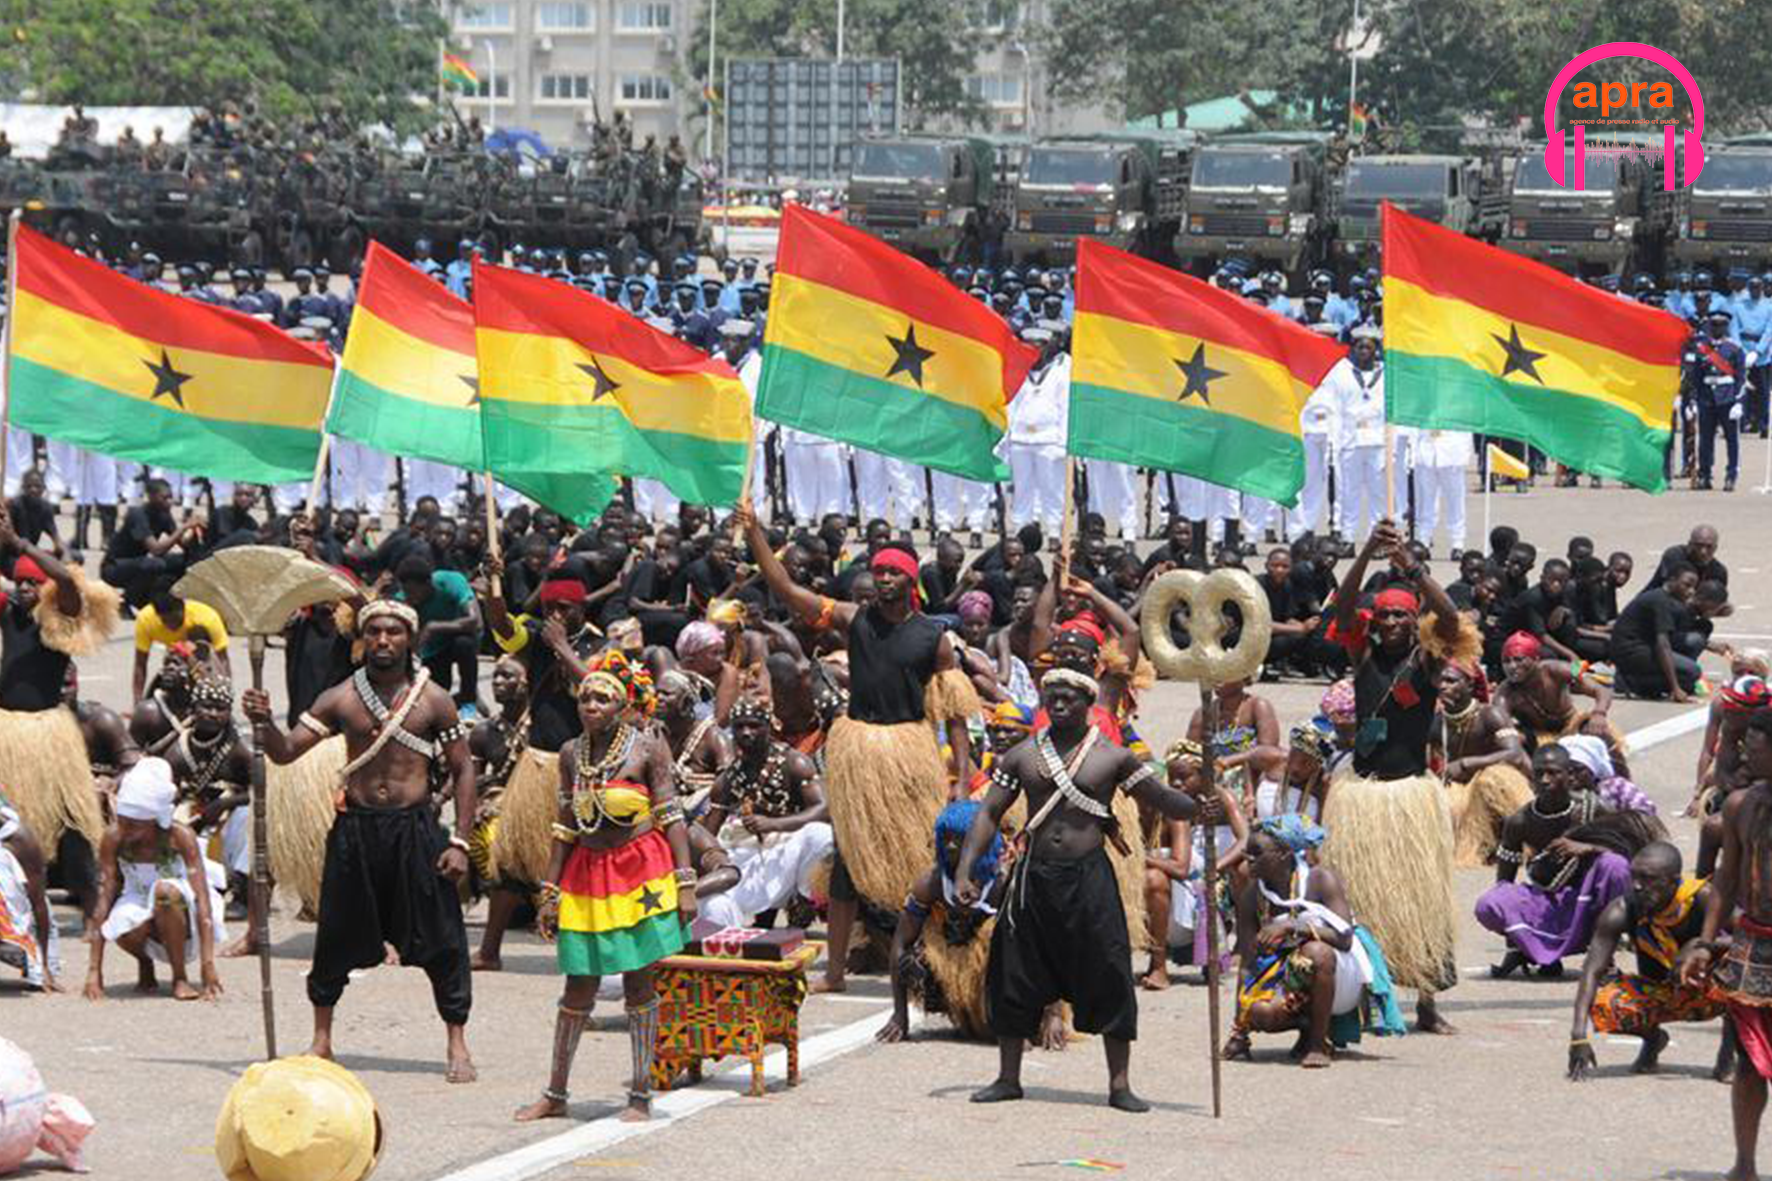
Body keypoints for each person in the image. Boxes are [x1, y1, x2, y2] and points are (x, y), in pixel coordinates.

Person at [739, 499, 978, 994]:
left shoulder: (934, 639)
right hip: (860, 756)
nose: (883, 578)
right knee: (848, 860)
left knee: (920, 857)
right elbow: (786, 588)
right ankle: (835, 972)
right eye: (879, 571)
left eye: (893, 572)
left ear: (910, 582)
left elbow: (954, 714)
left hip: (909, 756)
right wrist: (755, 533)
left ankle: (931, 965)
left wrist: (959, 776)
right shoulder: (853, 619)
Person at [243, 599, 478, 1084]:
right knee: (335, 934)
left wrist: (460, 841)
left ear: (409, 638)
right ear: (362, 639)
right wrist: (264, 724)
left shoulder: (433, 699)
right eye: (374, 632)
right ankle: (322, 1039)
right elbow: (286, 754)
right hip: (356, 831)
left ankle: (456, 1041)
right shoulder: (340, 698)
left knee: (443, 937)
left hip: (415, 830)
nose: (383, 641)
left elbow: (463, 768)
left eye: (393, 632)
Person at [958, 671, 1195, 1111]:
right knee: (1013, 971)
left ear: (1089, 703)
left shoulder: (1114, 758)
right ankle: (1008, 1077)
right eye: (1052, 697)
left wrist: (1201, 803)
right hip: (1034, 879)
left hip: (1089, 879)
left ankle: (1120, 1085)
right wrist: (965, 870)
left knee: (1109, 971)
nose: (1059, 704)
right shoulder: (1022, 756)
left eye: (1068, 697)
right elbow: (989, 811)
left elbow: (1163, 800)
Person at [516, 651, 693, 1124]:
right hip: (587, 875)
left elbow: (671, 815)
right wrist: (549, 890)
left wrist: (685, 882)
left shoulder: (648, 747)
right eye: (586, 697)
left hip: (641, 872)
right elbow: (565, 825)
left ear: (621, 705)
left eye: (602, 698)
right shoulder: (573, 753)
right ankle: (555, 1093)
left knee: (639, 980)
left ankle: (640, 1094)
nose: (591, 705)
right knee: (579, 984)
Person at [1322, 518, 1465, 1032]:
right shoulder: (1361, 657)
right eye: (1384, 617)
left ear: (1413, 622)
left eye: (1402, 617)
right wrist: (1365, 551)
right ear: (1374, 621)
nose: (1392, 624)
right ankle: (1361, 996)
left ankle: (1427, 1002)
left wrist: (1411, 566)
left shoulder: (1425, 662)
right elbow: (1342, 608)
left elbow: (1450, 619)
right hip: (1363, 795)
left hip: (1411, 796)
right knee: (1360, 900)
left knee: (1424, 898)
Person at [1225, 816, 1403, 1067]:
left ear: (1284, 854)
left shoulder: (1320, 879)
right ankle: (1308, 1027)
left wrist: (1293, 926)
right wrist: (1239, 1032)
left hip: (1341, 973)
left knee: (1316, 952)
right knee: (1261, 1013)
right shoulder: (1252, 896)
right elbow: (1248, 963)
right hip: (1287, 976)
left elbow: (1344, 938)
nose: (1248, 859)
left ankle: (1318, 1044)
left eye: (1257, 853)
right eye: (1246, 852)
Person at [1475, 745, 1661, 978]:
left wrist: (1588, 848)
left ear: (1570, 775)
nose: (1545, 780)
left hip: (1592, 902)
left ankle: (1603, 955)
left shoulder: (1595, 808)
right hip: (1550, 903)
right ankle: (1536, 952)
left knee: (1614, 865)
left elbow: (1633, 855)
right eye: (1539, 773)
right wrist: (1515, 945)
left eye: (1553, 773)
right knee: (1489, 903)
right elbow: (1504, 884)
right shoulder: (1520, 822)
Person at [1682, 712, 1772, 1181]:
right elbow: (1726, 878)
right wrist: (1703, 940)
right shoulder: (1741, 805)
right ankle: (1745, 1163)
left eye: (1755, 747)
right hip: (1754, 946)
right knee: (1749, 1062)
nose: (1744, 754)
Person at [1568, 841, 1731, 1082]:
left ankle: (1728, 1057)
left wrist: (1702, 946)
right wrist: (1578, 1035)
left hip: (1711, 989)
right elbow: (1592, 971)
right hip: (1662, 990)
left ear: (1673, 880)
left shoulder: (1703, 898)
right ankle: (1653, 1040)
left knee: (1745, 973)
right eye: (1634, 876)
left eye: (1648, 878)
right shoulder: (1623, 909)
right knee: (1606, 1001)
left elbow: (1752, 939)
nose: (1637, 886)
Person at [83, 758, 224, 1002]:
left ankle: (179, 976)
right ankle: (144, 962)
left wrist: (208, 964)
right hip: (138, 901)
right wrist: (94, 971)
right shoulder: (115, 837)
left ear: (156, 820)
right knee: (120, 919)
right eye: (123, 822)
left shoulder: (179, 836)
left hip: (181, 906)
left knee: (165, 892)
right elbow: (104, 898)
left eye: (135, 826)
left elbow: (202, 899)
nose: (126, 831)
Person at [696, 696, 834, 928]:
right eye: (739, 726)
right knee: (714, 904)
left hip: (790, 847)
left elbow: (824, 809)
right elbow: (709, 834)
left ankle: (802, 903)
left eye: (754, 725)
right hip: (747, 853)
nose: (746, 733)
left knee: (821, 836)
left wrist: (774, 825)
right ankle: (743, 932)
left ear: (769, 727)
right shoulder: (729, 778)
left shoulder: (794, 763)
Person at [1141, 739, 1243, 991]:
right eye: (1172, 778)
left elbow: (1245, 838)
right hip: (1187, 861)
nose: (1177, 784)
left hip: (1207, 863)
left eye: (1184, 777)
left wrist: (1217, 866)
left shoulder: (1219, 797)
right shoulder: (1160, 806)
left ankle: (1235, 946)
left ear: (1201, 774)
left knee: (1234, 875)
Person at [1431, 659, 1533, 867]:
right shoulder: (1438, 721)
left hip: (1492, 789)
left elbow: (1515, 754)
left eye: (1451, 681)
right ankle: (1476, 842)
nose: (1443, 686)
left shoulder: (1490, 714)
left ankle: (1519, 840)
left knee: (1492, 780)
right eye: (1441, 681)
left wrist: (1468, 763)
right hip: (1461, 789)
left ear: (1469, 684)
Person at [1492, 630, 1619, 756]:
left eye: (1519, 659)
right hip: (1536, 735)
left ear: (1536, 659)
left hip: (1570, 725)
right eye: (1506, 661)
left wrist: (1599, 713)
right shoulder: (1504, 694)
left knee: (1599, 732)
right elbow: (1501, 728)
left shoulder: (1557, 669)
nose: (1512, 666)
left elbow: (1602, 690)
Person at [1611, 563, 1720, 701]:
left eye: (1693, 587)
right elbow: (1663, 645)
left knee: (1694, 647)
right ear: (1672, 580)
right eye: (1686, 585)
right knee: (1692, 672)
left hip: (1643, 647)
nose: (1691, 591)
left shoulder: (1671, 600)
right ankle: (1631, 682)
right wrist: (1675, 687)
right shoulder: (1660, 601)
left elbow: (1681, 629)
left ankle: (1644, 680)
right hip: (1631, 651)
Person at [393, 554, 481, 715]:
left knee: (464, 644)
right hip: (432, 650)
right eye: (405, 591)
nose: (409, 596)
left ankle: (469, 700)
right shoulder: (402, 600)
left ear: (428, 584)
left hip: (457, 638)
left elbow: (475, 621)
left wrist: (434, 627)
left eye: (412, 591)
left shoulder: (451, 582)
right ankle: (463, 695)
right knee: (438, 695)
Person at [100, 477, 202, 608]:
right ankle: (127, 601)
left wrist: (195, 530)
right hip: (114, 567)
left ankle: (157, 596)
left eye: (171, 497)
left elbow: (183, 544)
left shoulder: (164, 514)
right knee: (154, 564)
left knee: (184, 561)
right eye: (164, 498)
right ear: (151, 496)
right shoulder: (137, 515)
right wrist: (183, 527)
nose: (170, 502)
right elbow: (156, 549)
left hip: (138, 563)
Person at [131, 577, 231, 703]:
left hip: (201, 662)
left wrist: (224, 693)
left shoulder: (207, 618)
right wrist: (137, 701)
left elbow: (223, 659)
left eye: (175, 620)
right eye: (165, 621)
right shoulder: (146, 620)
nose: (171, 626)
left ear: (183, 607)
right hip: (175, 661)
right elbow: (140, 664)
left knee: (197, 631)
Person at [0, 792, 58, 990]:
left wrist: (45, 967)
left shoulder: (20, 839)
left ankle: (40, 961)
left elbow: (39, 903)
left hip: (16, 927)